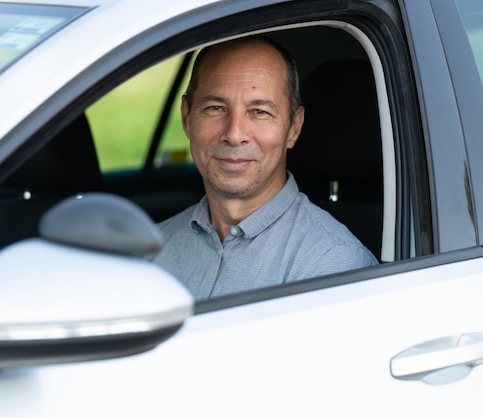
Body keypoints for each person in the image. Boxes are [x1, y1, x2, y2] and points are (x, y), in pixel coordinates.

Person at [151, 36, 377, 300]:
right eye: (215, 108)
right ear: (187, 117)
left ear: (294, 127)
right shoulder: (150, 250)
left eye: (259, 111)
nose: (234, 134)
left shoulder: (331, 265)